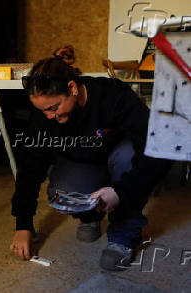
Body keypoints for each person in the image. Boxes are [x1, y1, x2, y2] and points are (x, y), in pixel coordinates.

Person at [9, 46, 173, 271]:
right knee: (62, 189)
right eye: (43, 111)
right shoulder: (45, 114)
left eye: (54, 108)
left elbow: (157, 148)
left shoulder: (113, 95)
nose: (49, 117)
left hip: (118, 162)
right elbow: (30, 167)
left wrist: (121, 192)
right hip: (85, 165)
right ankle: (90, 216)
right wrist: (23, 225)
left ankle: (123, 235)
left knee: (128, 156)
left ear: (72, 87)